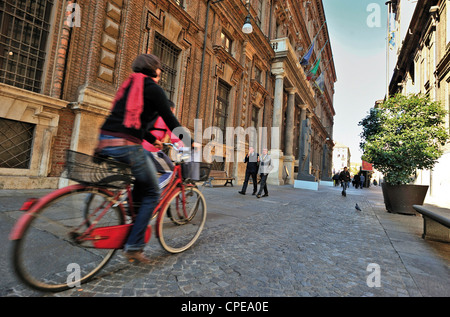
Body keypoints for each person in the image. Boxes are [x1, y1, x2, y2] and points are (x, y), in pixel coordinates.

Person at [95, 54, 192, 263]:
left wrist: (150, 138)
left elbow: (132, 121)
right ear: (155, 71)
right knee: (152, 192)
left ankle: (133, 210)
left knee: (142, 177)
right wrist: (189, 141)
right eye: (159, 70)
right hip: (127, 146)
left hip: (105, 140)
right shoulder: (153, 89)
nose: (160, 73)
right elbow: (170, 119)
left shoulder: (128, 85)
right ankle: (134, 246)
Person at [142, 100, 183, 189]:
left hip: (136, 147)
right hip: (150, 150)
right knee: (170, 172)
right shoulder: (166, 118)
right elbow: (176, 137)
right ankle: (152, 193)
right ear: (171, 109)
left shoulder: (150, 114)